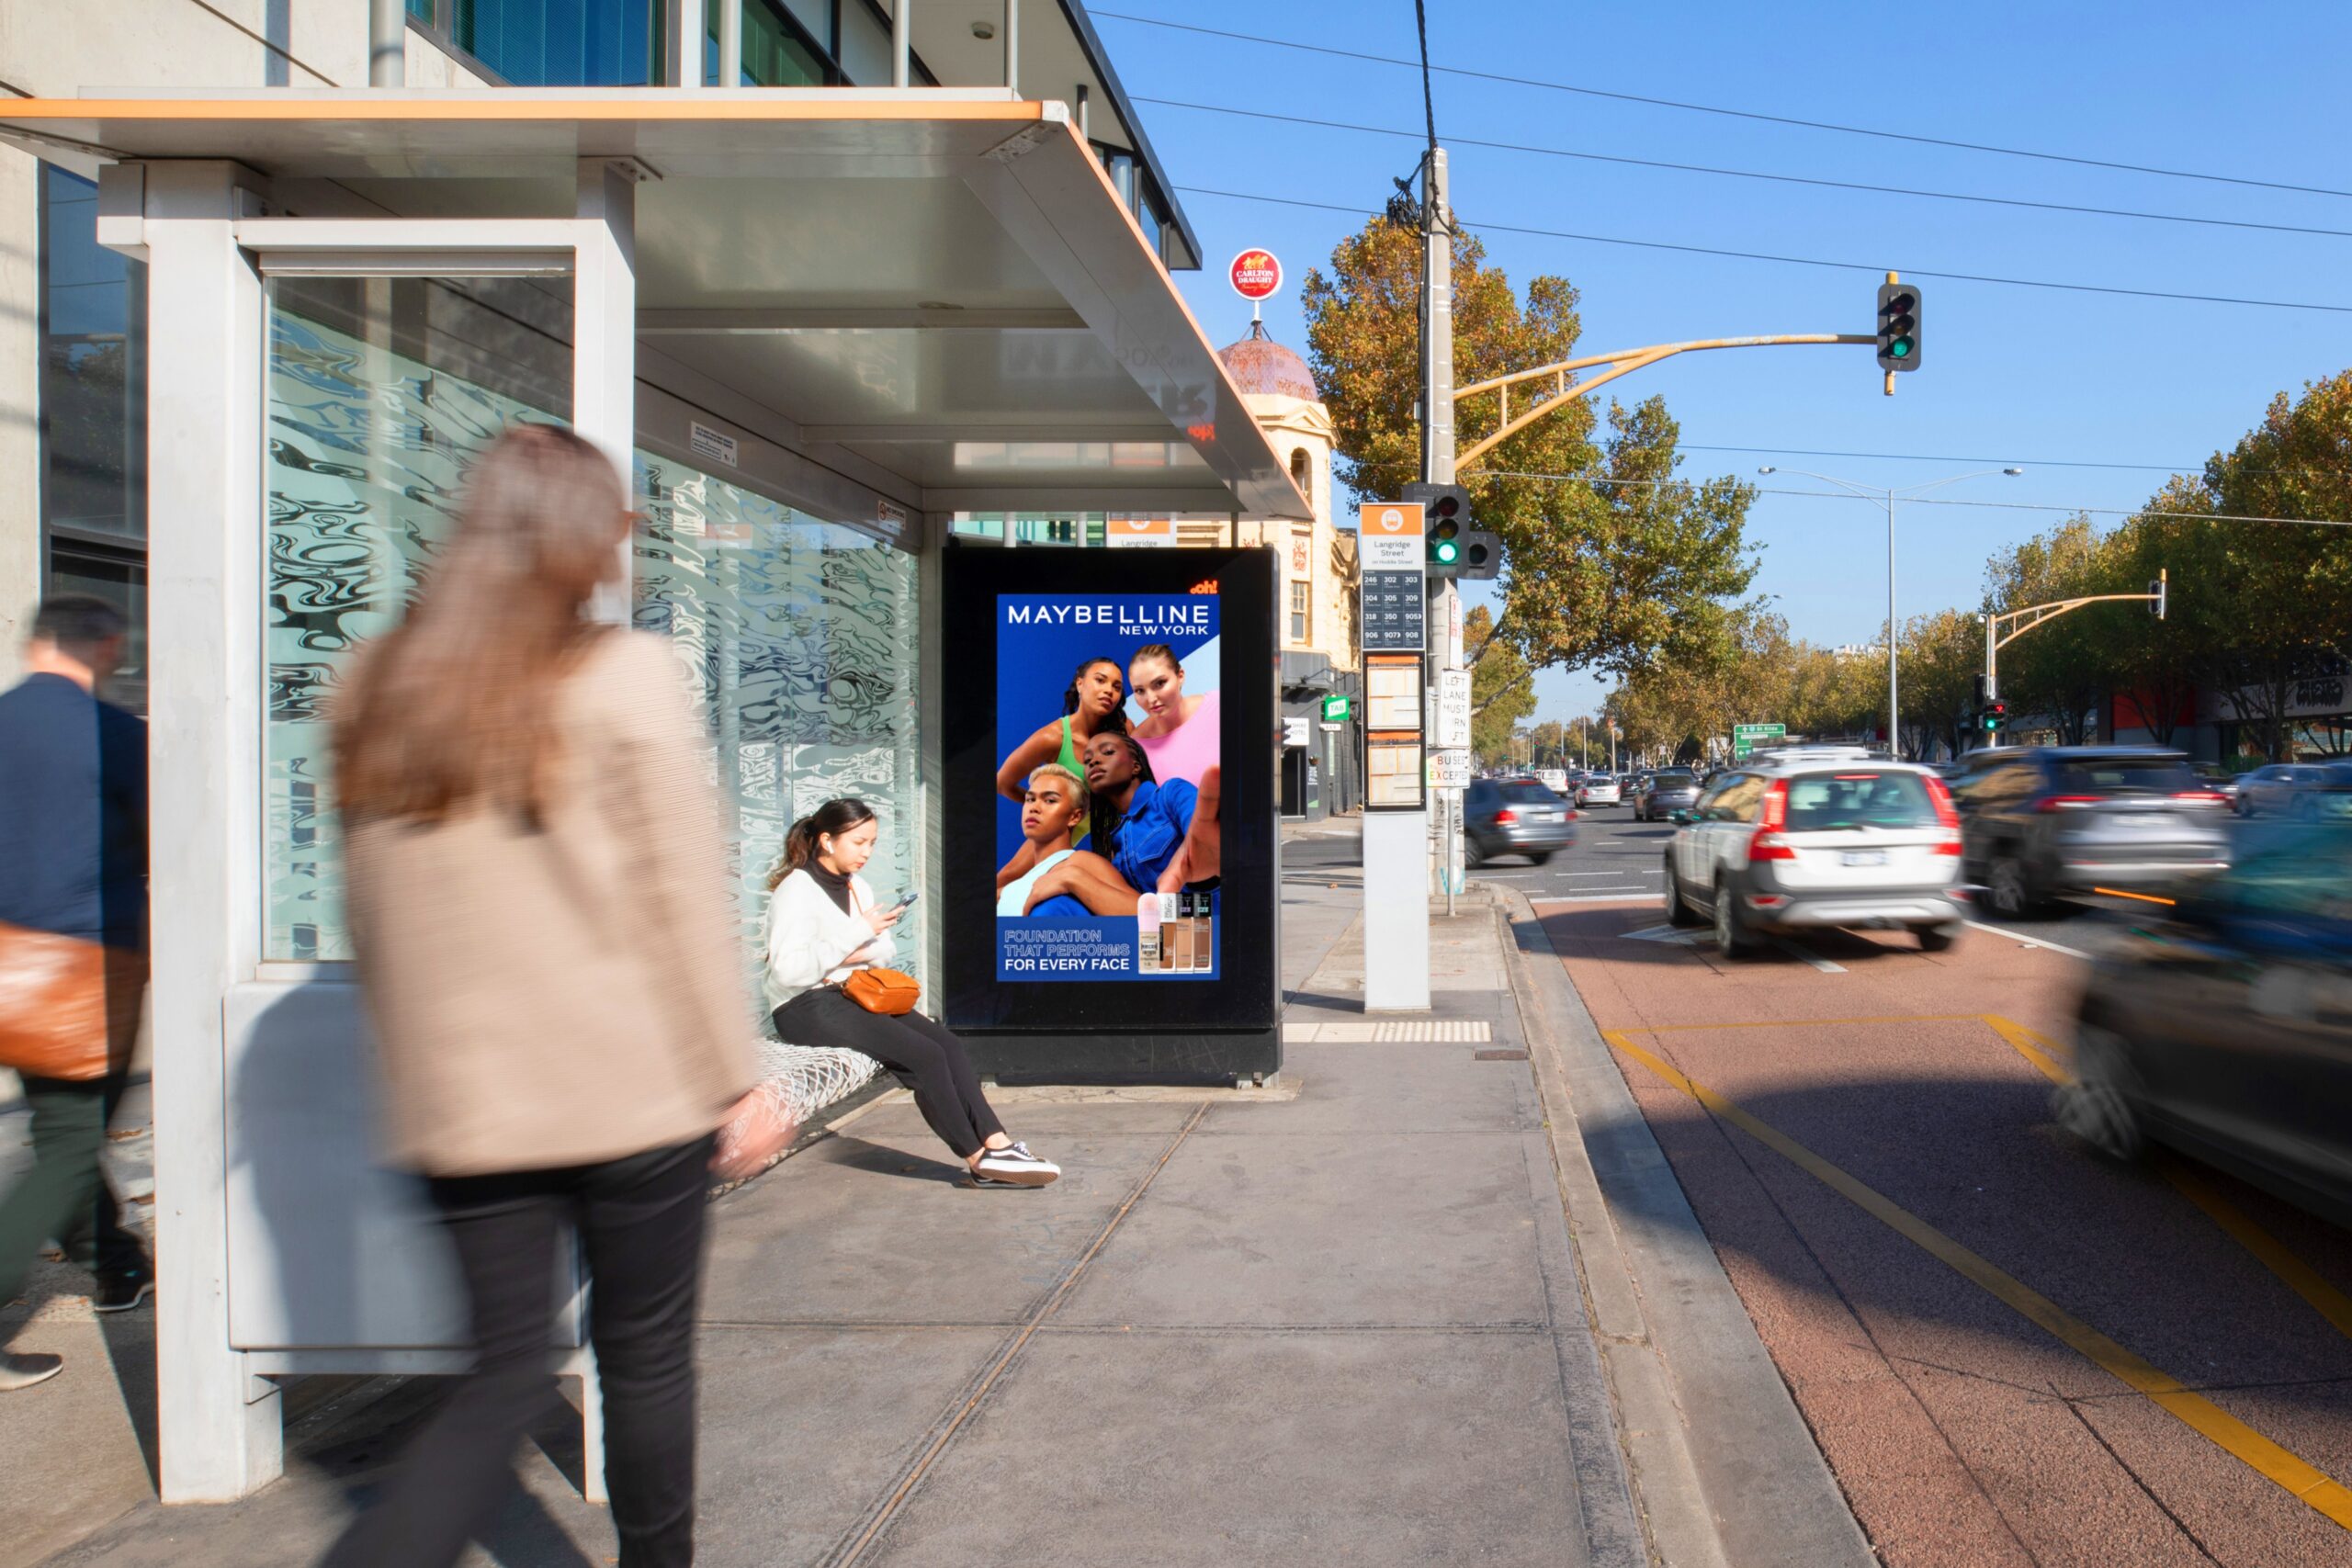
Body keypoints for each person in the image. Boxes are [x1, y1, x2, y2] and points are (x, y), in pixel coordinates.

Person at [320, 424, 786, 1568]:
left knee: (500, 1377)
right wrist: (738, 1074)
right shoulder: (624, 673)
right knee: (644, 1359)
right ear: (581, 538)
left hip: (463, 1108)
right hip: (631, 1092)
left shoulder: (372, 683)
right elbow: (681, 891)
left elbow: (373, 913)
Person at [0, 595, 153, 1394]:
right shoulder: (115, 735)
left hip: (7, 961)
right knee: (66, 1142)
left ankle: (117, 1263)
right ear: (102, 644)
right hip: (87, 963)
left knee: (63, 1125)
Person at [765, 798, 1058, 1187]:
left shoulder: (858, 888)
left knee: (948, 1045)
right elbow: (789, 970)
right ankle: (978, 1159)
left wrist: (860, 941)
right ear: (827, 841)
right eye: (858, 842)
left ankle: (998, 1141)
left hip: (853, 993)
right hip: (805, 1006)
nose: (867, 852)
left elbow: (881, 951)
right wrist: (856, 937)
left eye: (871, 842)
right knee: (925, 1056)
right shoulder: (797, 889)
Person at [1018, 732, 1222, 916]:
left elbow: (1205, 842)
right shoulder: (1116, 847)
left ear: (1135, 765)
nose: (1093, 761)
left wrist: (1205, 881)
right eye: (1087, 760)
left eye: (1107, 752)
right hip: (1166, 942)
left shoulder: (1170, 794)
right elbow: (1146, 915)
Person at [995, 656, 1126, 813]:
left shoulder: (1123, 729)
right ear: (1080, 684)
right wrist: (1049, 808)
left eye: (1116, 687)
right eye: (1100, 680)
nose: (1108, 690)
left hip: (1111, 832)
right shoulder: (1052, 738)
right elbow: (1002, 784)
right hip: (1067, 836)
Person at [994, 763, 1092, 919]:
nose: (1034, 807)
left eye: (1050, 800)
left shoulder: (1078, 862)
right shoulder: (1008, 891)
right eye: (1030, 799)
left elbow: (1141, 914)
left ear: (1074, 817)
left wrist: (1071, 878)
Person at [1126, 642, 1220, 789]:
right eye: (1139, 691)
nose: (1151, 699)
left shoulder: (1220, 705)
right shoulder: (1136, 748)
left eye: (1159, 683)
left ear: (1180, 676)